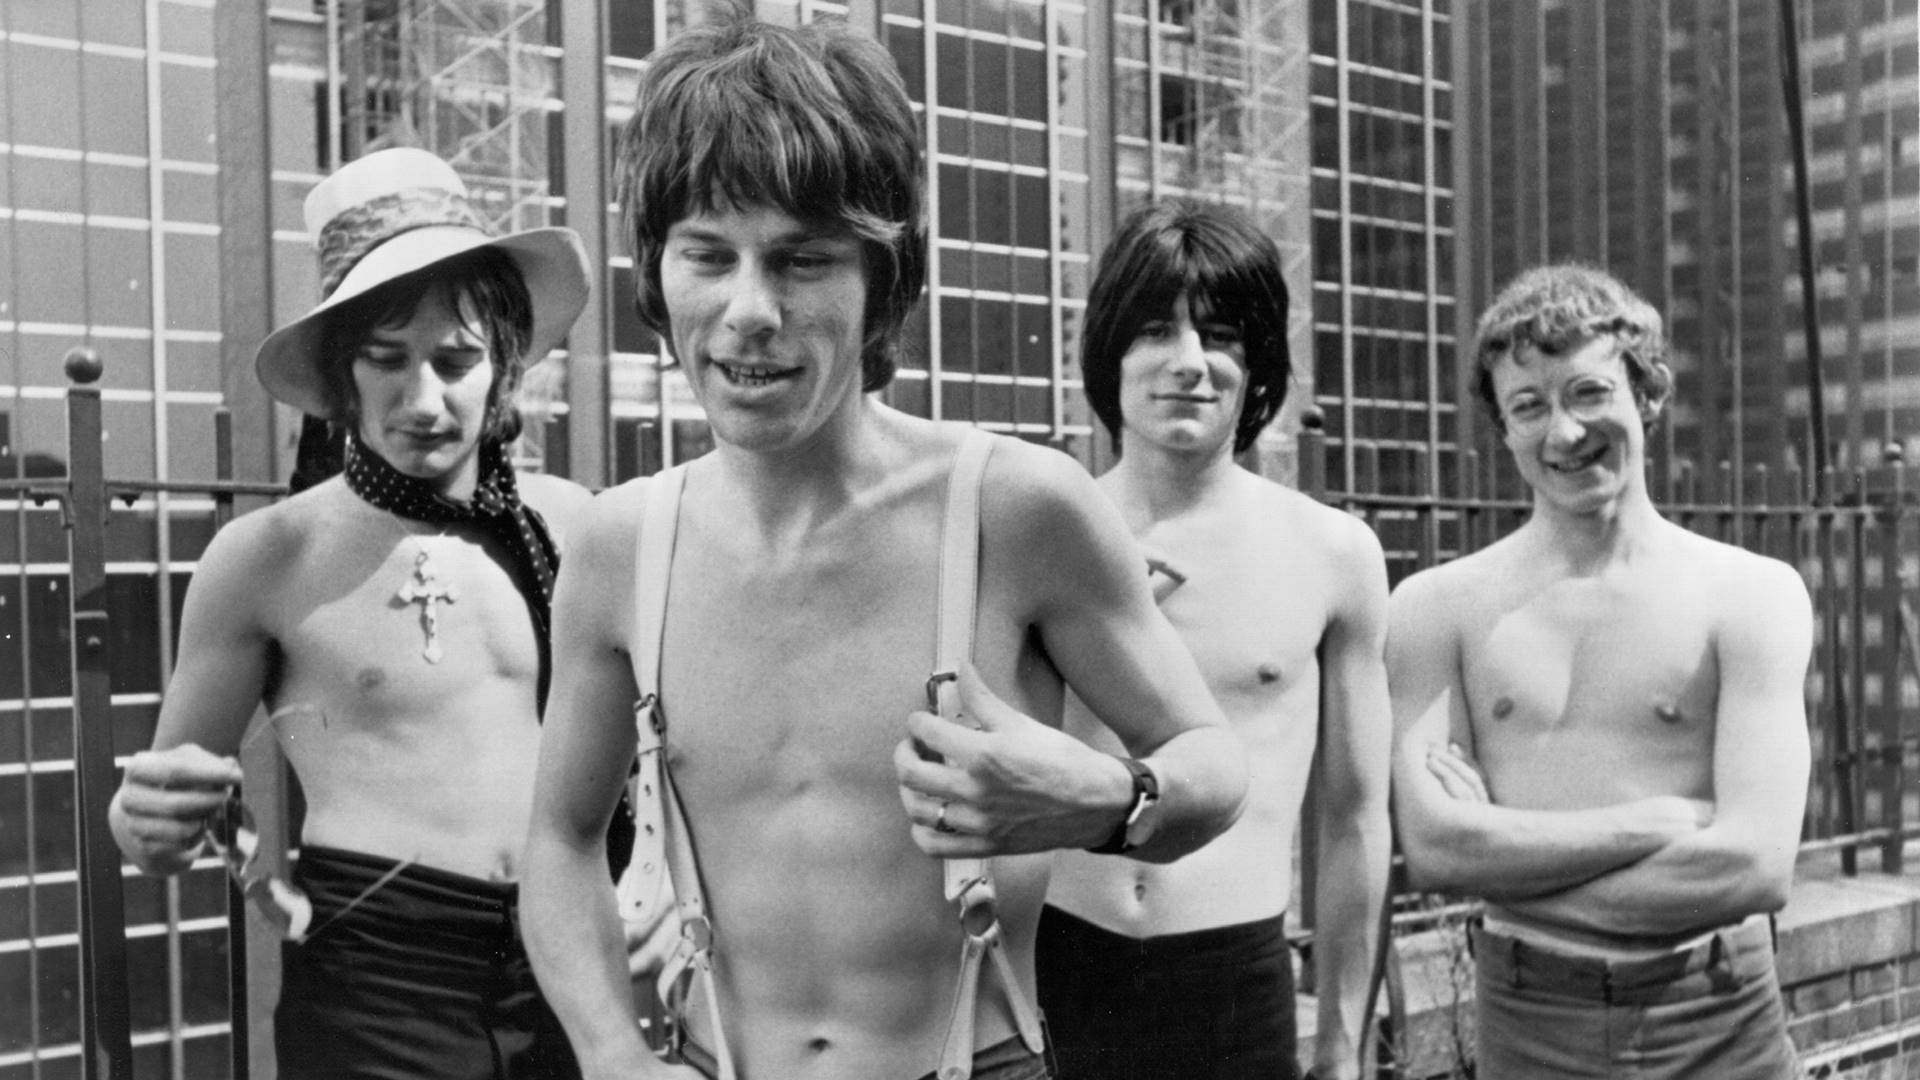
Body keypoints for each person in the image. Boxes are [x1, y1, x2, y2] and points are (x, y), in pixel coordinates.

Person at [518, 11, 1249, 1080]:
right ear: (656, 273)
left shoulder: (1014, 506)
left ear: (883, 282)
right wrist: (609, 1056)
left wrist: (1107, 801)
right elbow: (558, 837)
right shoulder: (621, 544)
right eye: (707, 256)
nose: (749, 311)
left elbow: (1214, 764)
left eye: (804, 259)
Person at [107, 147, 595, 1080]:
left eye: (457, 361)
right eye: (386, 361)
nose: (424, 400)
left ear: (505, 369)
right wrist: (145, 816)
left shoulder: (574, 526)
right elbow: (163, 822)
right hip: (378, 982)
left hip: (570, 963)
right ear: (341, 379)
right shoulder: (267, 557)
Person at [1387, 263, 1811, 1079]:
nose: (1563, 432)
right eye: (1529, 406)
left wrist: (1508, 874)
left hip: (1722, 1019)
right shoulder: (1438, 608)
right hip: (1528, 1022)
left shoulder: (1751, 594)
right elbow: (1439, 853)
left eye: (1587, 393)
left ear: (1646, 395)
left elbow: (1755, 864)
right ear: (1503, 428)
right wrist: (1657, 822)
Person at [1035, 201, 1392, 1080]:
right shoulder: (1037, 535)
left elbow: (1353, 820)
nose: (1190, 362)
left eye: (1222, 335)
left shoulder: (1332, 553)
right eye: (1156, 330)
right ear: (1111, 353)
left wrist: (1343, 1045)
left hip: (1231, 976)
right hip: (1050, 964)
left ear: (1256, 364)